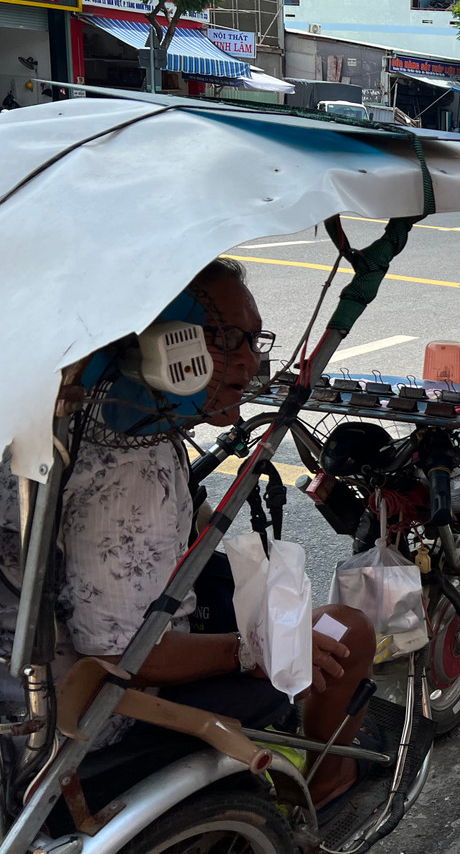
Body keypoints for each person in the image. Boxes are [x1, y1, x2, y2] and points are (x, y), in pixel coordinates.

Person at [0, 259, 375, 810]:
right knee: (348, 631)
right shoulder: (131, 470)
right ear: (164, 343)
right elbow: (124, 655)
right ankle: (323, 787)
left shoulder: (62, 415)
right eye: (229, 340)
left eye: (254, 341)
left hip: (25, 669)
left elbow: (187, 528)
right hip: (92, 710)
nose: (251, 362)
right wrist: (255, 650)